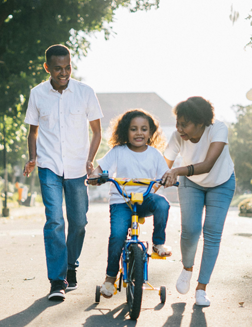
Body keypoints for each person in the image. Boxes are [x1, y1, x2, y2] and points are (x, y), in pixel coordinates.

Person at [23, 44, 103, 301]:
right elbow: (33, 131)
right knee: (55, 220)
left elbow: (97, 131)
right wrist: (33, 158)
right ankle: (57, 280)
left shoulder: (85, 92)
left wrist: (90, 160)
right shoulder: (37, 94)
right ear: (47, 68)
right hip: (48, 166)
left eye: (67, 67)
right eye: (58, 68)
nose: (64, 72)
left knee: (79, 222)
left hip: (78, 167)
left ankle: (71, 266)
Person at [161, 96, 235, 307]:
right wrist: (150, 189)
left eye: (184, 124)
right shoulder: (178, 137)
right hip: (191, 183)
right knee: (190, 229)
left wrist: (177, 170)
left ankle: (201, 288)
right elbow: (163, 166)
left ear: (201, 122)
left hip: (221, 182)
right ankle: (187, 268)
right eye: (178, 123)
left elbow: (208, 164)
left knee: (212, 232)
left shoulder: (217, 129)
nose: (179, 128)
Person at [89, 109, 171, 298]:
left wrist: (168, 179)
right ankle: (110, 278)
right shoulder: (118, 151)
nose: (139, 133)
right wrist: (95, 176)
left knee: (163, 204)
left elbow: (164, 175)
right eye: (134, 129)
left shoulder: (155, 154)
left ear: (151, 133)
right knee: (117, 236)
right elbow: (100, 169)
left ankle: (158, 243)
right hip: (121, 201)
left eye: (144, 129)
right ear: (126, 131)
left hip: (144, 200)